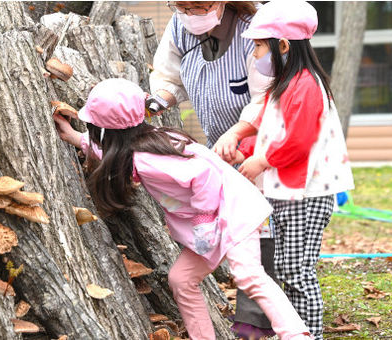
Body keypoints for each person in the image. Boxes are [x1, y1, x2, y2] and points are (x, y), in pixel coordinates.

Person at [53, 78, 313, 340]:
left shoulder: (147, 158)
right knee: (181, 280)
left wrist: (201, 220)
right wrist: (76, 138)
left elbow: (204, 176)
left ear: (106, 130)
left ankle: (296, 335)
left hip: (234, 212)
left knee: (249, 275)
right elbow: (112, 153)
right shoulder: (146, 142)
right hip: (213, 222)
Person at [214, 1, 355, 339]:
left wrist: (261, 160)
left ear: (283, 45)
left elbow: (297, 140)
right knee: (290, 269)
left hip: (305, 194)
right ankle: (296, 332)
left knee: (296, 271)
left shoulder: (305, 86)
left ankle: (309, 334)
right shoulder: (285, 86)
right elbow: (267, 128)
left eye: (260, 46)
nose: (256, 54)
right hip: (291, 193)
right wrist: (240, 144)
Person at [149, 2, 278, 337]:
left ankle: (257, 325)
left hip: (259, 147)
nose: (192, 12)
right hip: (218, 148)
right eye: (183, 5)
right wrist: (158, 100)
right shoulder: (180, 28)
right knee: (228, 228)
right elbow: (168, 76)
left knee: (258, 234)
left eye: (200, 5)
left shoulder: (254, 31)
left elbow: (268, 98)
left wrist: (239, 137)